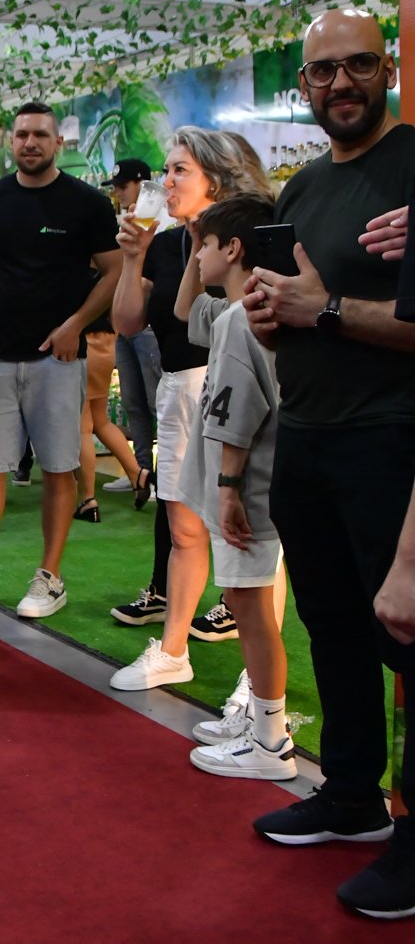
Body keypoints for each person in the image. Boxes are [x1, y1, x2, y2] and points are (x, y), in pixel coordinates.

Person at [244, 8, 415, 914]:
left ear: (388, 68)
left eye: (359, 65)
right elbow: (296, 315)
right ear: (303, 84)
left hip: (393, 439)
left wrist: (327, 311)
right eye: (322, 71)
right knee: (334, 627)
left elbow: (349, 312)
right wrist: (274, 318)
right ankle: (351, 795)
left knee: (410, 641)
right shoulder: (303, 188)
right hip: (308, 436)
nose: (341, 83)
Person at [109, 129, 273, 689]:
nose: (165, 181)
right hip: (178, 387)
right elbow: (128, 321)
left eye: (180, 170)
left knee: (248, 536)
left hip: (230, 388)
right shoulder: (169, 242)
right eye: (166, 169)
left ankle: (259, 687)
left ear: (217, 179)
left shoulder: (249, 239)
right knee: (184, 528)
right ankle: (173, 650)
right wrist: (132, 257)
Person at [0, 102, 120, 618]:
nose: (30, 143)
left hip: (60, 358)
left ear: (58, 143)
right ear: (12, 142)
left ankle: (50, 577)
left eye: (40, 135)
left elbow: (115, 270)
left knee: (58, 467)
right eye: (22, 135)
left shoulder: (87, 203)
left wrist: (77, 325)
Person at [174, 195, 294, 780]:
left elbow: (237, 411)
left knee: (250, 607)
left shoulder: (241, 318)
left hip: (249, 487)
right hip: (254, 480)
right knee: (247, 603)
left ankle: (269, 736)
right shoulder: (248, 310)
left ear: (234, 248)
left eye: (205, 245)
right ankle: (259, 722)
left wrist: (227, 487)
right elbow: (183, 311)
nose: (197, 256)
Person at [104, 158, 162, 483]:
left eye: (123, 186)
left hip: (150, 325)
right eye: (115, 187)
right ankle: (141, 471)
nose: (118, 192)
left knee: (156, 402)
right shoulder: (126, 222)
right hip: (125, 322)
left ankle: (163, 473)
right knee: (133, 402)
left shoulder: (162, 221)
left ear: (142, 184)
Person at [74, 306, 150, 522]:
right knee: (101, 421)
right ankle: (137, 474)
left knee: (83, 428)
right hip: (106, 342)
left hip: (82, 343)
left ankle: (88, 499)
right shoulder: (106, 281)